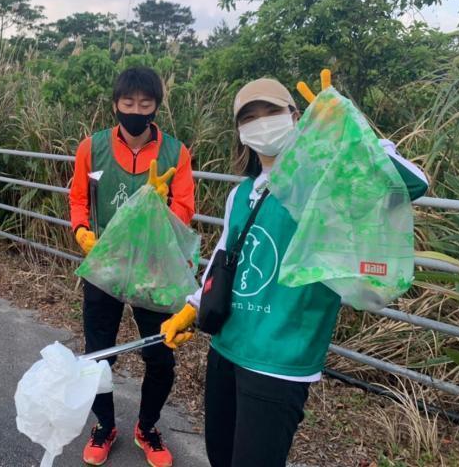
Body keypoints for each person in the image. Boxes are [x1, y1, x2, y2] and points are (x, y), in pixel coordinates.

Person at [160, 73, 429, 467]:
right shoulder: (241, 193)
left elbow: (411, 184)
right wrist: (191, 307)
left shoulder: (328, 183)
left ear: (296, 116)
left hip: (280, 360)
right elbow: (225, 258)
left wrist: (351, 131)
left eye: (272, 111)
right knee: (220, 457)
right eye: (250, 117)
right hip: (227, 348)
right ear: (240, 132)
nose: (262, 122)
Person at [69, 66, 195, 467]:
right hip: (106, 265)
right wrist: (82, 231)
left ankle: (148, 426)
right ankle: (104, 426)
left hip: (155, 270)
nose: (136, 110)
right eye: (128, 103)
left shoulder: (176, 152)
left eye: (145, 103)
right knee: (98, 353)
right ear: (115, 105)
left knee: (159, 354)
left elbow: (185, 209)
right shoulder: (93, 147)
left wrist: (159, 209)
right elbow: (78, 199)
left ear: (156, 106)